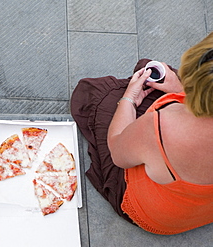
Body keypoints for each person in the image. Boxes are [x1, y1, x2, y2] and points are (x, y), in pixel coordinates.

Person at [71, 33, 213, 235]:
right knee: (151, 72)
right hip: (201, 210)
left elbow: (118, 153)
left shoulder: (162, 127)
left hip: (154, 216)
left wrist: (128, 98)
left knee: (99, 94)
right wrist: (180, 90)